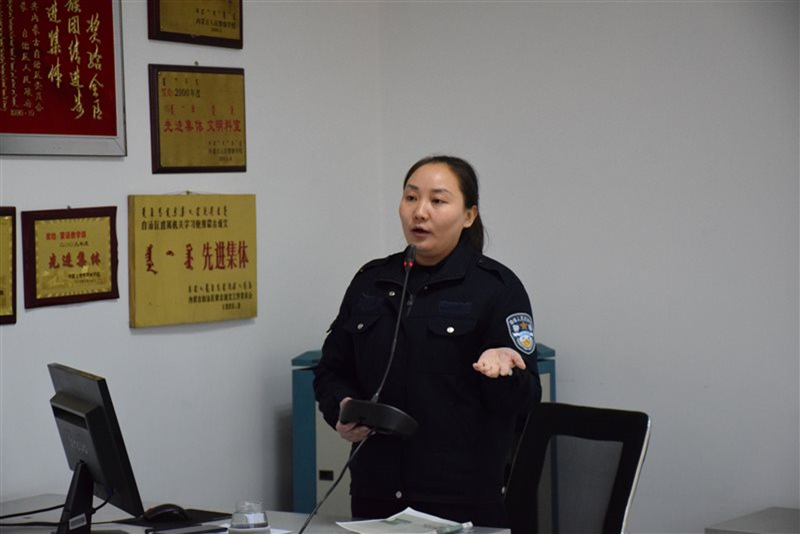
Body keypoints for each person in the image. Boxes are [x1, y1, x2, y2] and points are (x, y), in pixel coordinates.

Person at [313, 155, 542, 527]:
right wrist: (341, 407)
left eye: (437, 200)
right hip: (375, 492)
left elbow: (525, 399)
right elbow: (330, 371)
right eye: (411, 198)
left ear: (468, 215)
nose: (420, 212)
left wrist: (503, 370)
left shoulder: (496, 288)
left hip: (460, 498)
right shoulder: (372, 281)